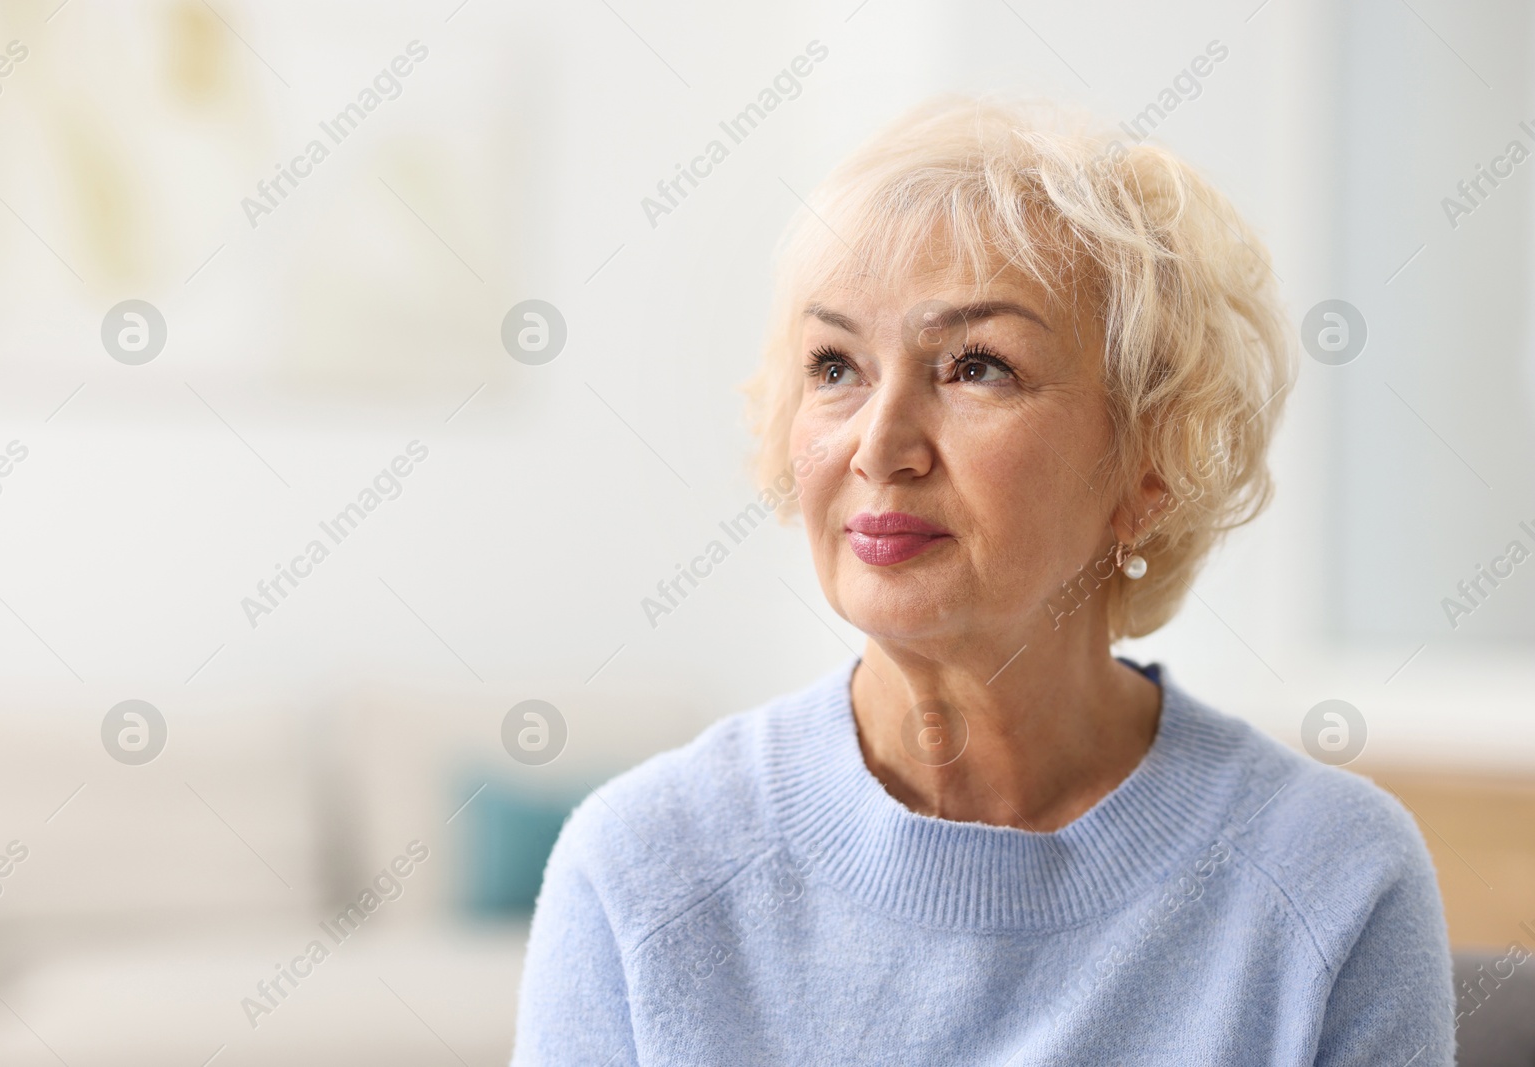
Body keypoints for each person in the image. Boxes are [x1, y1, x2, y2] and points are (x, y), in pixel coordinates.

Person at [512, 97, 1454, 1065]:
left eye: (976, 366)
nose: (878, 445)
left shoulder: (1330, 875)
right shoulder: (641, 868)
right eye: (835, 365)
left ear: (1149, 466)